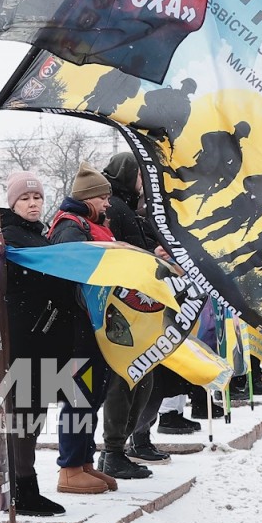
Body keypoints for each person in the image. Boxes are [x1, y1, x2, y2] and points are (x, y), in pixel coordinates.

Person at [0, 172, 75, 516]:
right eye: (25, 199)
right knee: (23, 417)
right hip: (22, 341)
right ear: (13, 203)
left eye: (37, 198)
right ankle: (20, 489)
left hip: (40, 339)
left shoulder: (36, 236)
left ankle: (24, 486)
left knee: (33, 415)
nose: (32, 204)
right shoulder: (10, 238)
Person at [101, 152, 177, 472]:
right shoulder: (117, 209)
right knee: (128, 381)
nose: (144, 183)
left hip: (140, 309)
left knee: (143, 379)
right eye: (139, 176)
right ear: (127, 173)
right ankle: (116, 450)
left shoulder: (132, 208)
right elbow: (120, 255)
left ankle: (126, 444)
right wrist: (152, 255)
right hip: (125, 310)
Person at [47, 167, 119, 495]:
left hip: (93, 327)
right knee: (79, 398)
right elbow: (69, 274)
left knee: (93, 396)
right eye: (103, 198)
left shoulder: (88, 225)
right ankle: (69, 469)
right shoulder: (69, 227)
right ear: (88, 198)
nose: (107, 204)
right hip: (77, 330)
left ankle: (85, 462)